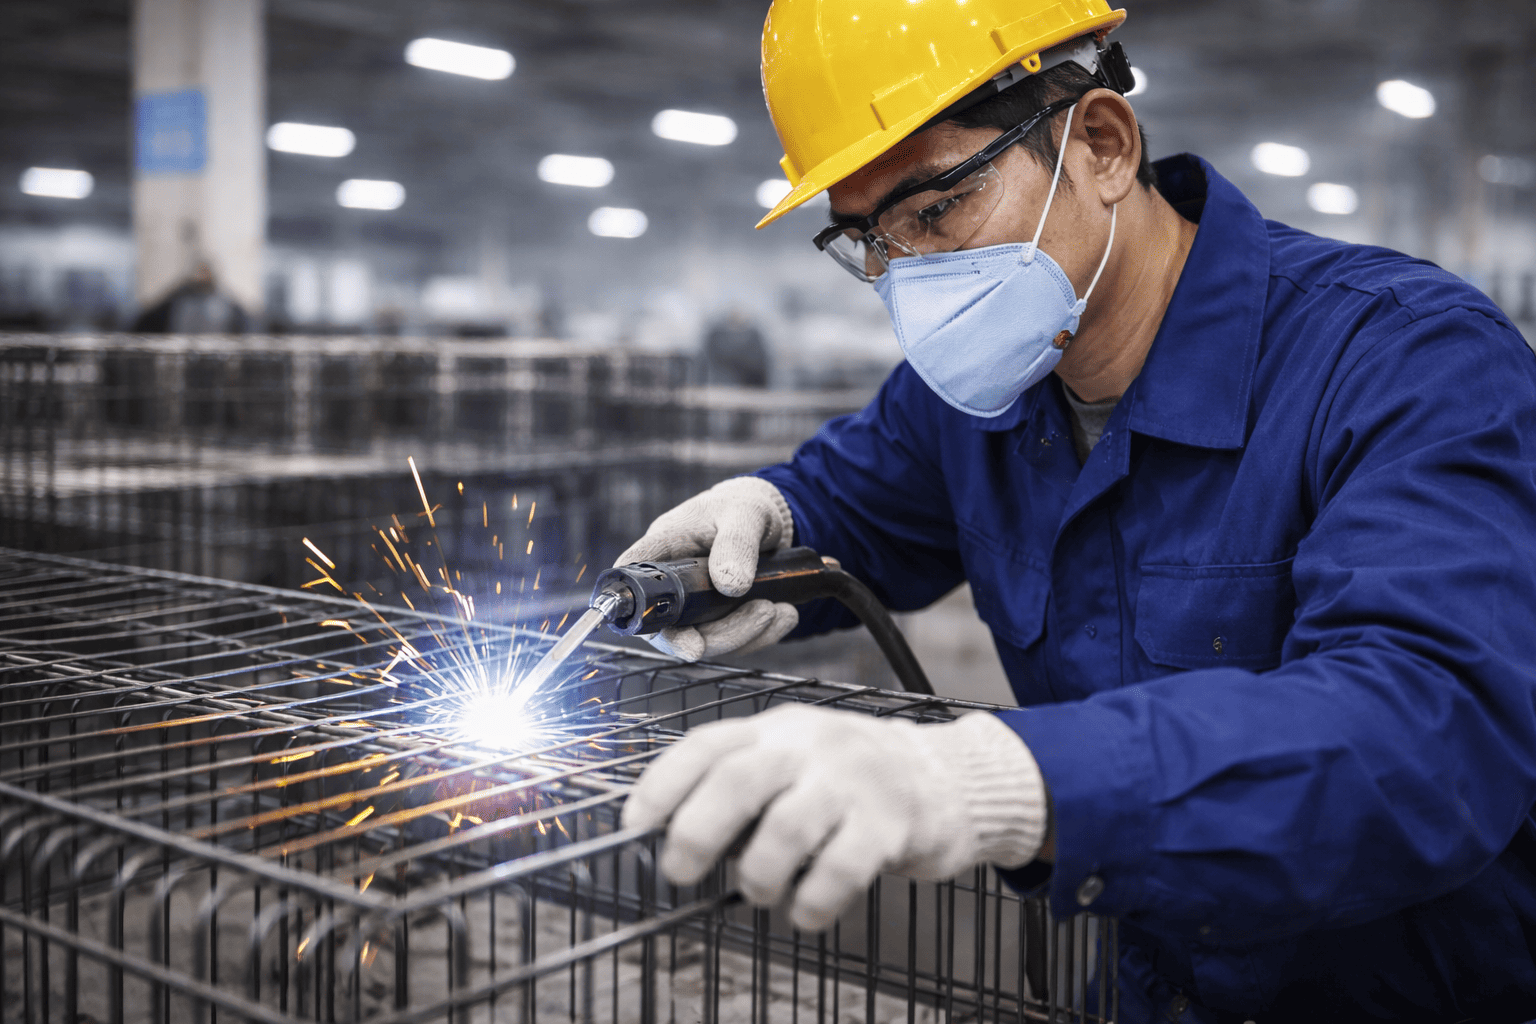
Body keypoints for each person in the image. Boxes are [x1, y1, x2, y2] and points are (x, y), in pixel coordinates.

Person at [615, 0, 1536, 1020]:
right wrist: (769, 515)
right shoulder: (979, 391)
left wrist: (1004, 780)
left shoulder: (1406, 362)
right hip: (1143, 984)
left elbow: (1425, 729)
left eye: (937, 210)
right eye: (869, 239)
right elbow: (861, 499)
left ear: (1101, 145)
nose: (911, 277)